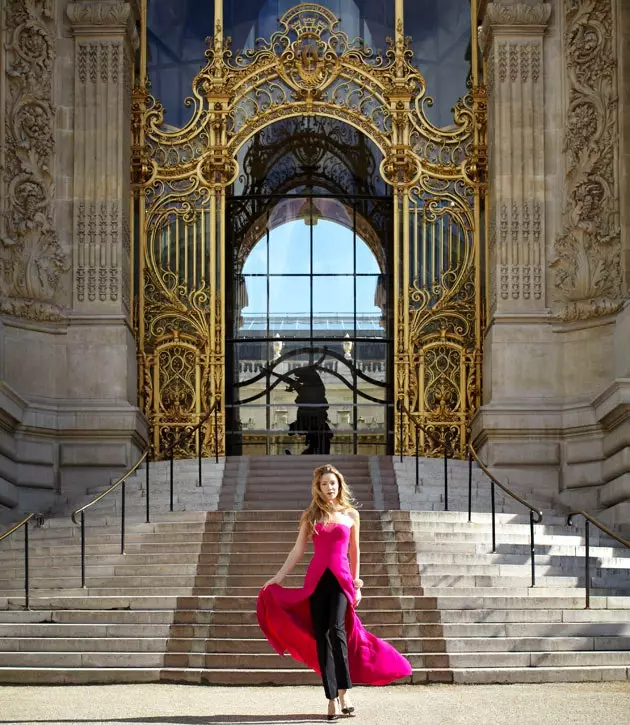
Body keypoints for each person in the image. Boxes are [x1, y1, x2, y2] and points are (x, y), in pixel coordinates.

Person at [257, 464, 412, 721]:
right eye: (324, 484)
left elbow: (354, 551)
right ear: (317, 488)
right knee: (322, 636)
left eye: (332, 483)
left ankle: (344, 692)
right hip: (316, 581)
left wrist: (356, 582)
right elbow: (297, 551)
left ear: (339, 485)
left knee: (337, 631)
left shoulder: (351, 515)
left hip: (341, 580)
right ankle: (330, 698)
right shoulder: (312, 516)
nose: (329, 488)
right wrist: (278, 577)